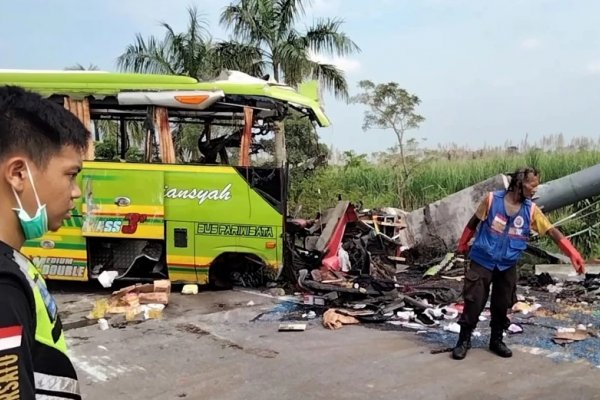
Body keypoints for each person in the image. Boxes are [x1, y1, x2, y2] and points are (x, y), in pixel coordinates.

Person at [0, 85, 90, 398]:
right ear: (18, 174)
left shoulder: (13, 263)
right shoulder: (4, 288)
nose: (76, 191)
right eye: (70, 174)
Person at [452, 167, 585, 360]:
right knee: (474, 301)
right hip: (482, 260)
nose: (535, 190)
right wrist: (463, 243)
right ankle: (463, 340)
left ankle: (496, 340)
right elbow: (473, 222)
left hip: (507, 265)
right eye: (532, 185)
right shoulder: (491, 200)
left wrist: (572, 253)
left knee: (502, 303)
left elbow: (551, 231)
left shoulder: (531, 210)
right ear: (519, 184)